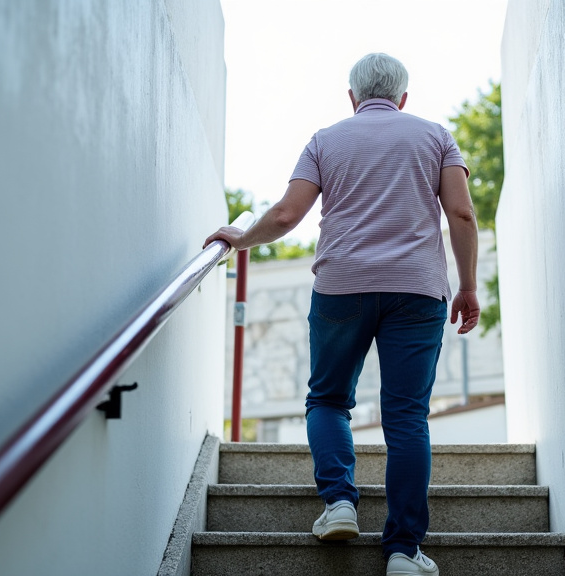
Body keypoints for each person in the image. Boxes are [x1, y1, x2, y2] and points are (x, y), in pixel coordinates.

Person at [203, 52, 479, 576]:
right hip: (417, 293)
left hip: (341, 290)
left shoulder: (325, 139)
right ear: (403, 97)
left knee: (328, 399)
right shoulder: (437, 136)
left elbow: (286, 214)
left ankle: (339, 504)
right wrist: (466, 286)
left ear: (352, 97)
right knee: (406, 417)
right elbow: (462, 212)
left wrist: (242, 240)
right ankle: (402, 552)